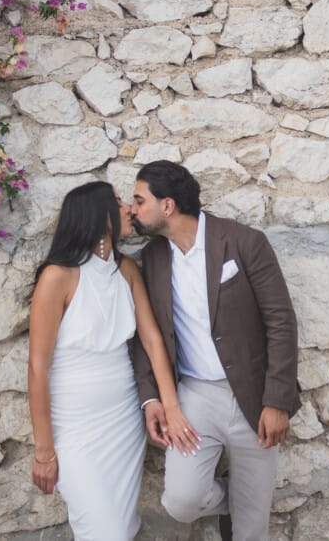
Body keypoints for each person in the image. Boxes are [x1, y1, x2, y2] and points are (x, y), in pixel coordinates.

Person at [129, 160, 300, 541]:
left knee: (251, 529)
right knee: (182, 501)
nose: (133, 210)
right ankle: (233, 496)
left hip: (254, 395)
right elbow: (147, 335)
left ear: (167, 205)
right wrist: (150, 398)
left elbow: (281, 322)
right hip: (194, 396)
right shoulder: (153, 257)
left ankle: (246, 504)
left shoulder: (244, 242)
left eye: (140, 201)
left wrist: (278, 400)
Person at [27, 180, 200, 541]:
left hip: (123, 420)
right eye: (119, 202)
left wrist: (170, 406)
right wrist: (44, 450)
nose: (128, 209)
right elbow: (38, 367)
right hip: (74, 425)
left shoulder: (126, 271)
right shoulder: (57, 277)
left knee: (121, 527)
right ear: (98, 215)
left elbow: (152, 341)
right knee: (103, 530)